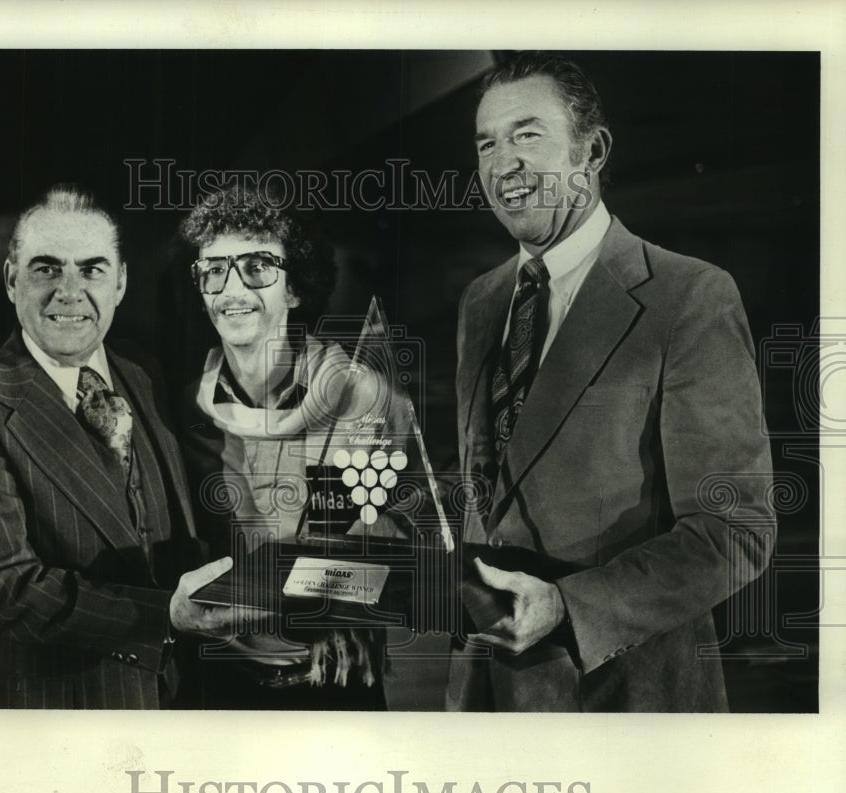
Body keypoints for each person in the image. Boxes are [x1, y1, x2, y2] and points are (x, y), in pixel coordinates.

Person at [450, 52, 774, 712]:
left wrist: (567, 607)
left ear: (592, 151)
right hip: (488, 702)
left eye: (527, 134)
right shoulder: (481, 303)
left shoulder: (690, 297)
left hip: (625, 703)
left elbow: (734, 531)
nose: (502, 163)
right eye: (487, 142)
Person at [0, 185, 242, 709]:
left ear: (120, 284)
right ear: (10, 280)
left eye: (92, 269)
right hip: (67, 713)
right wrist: (165, 617)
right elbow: (2, 589)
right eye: (46, 269)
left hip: (180, 701)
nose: (70, 291)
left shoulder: (144, 374)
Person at [179, 184, 394, 710]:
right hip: (219, 673)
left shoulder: (357, 395)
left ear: (295, 287)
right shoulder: (191, 405)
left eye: (257, 268)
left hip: (330, 680)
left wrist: (265, 595)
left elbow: (387, 568)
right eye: (214, 270)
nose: (231, 289)